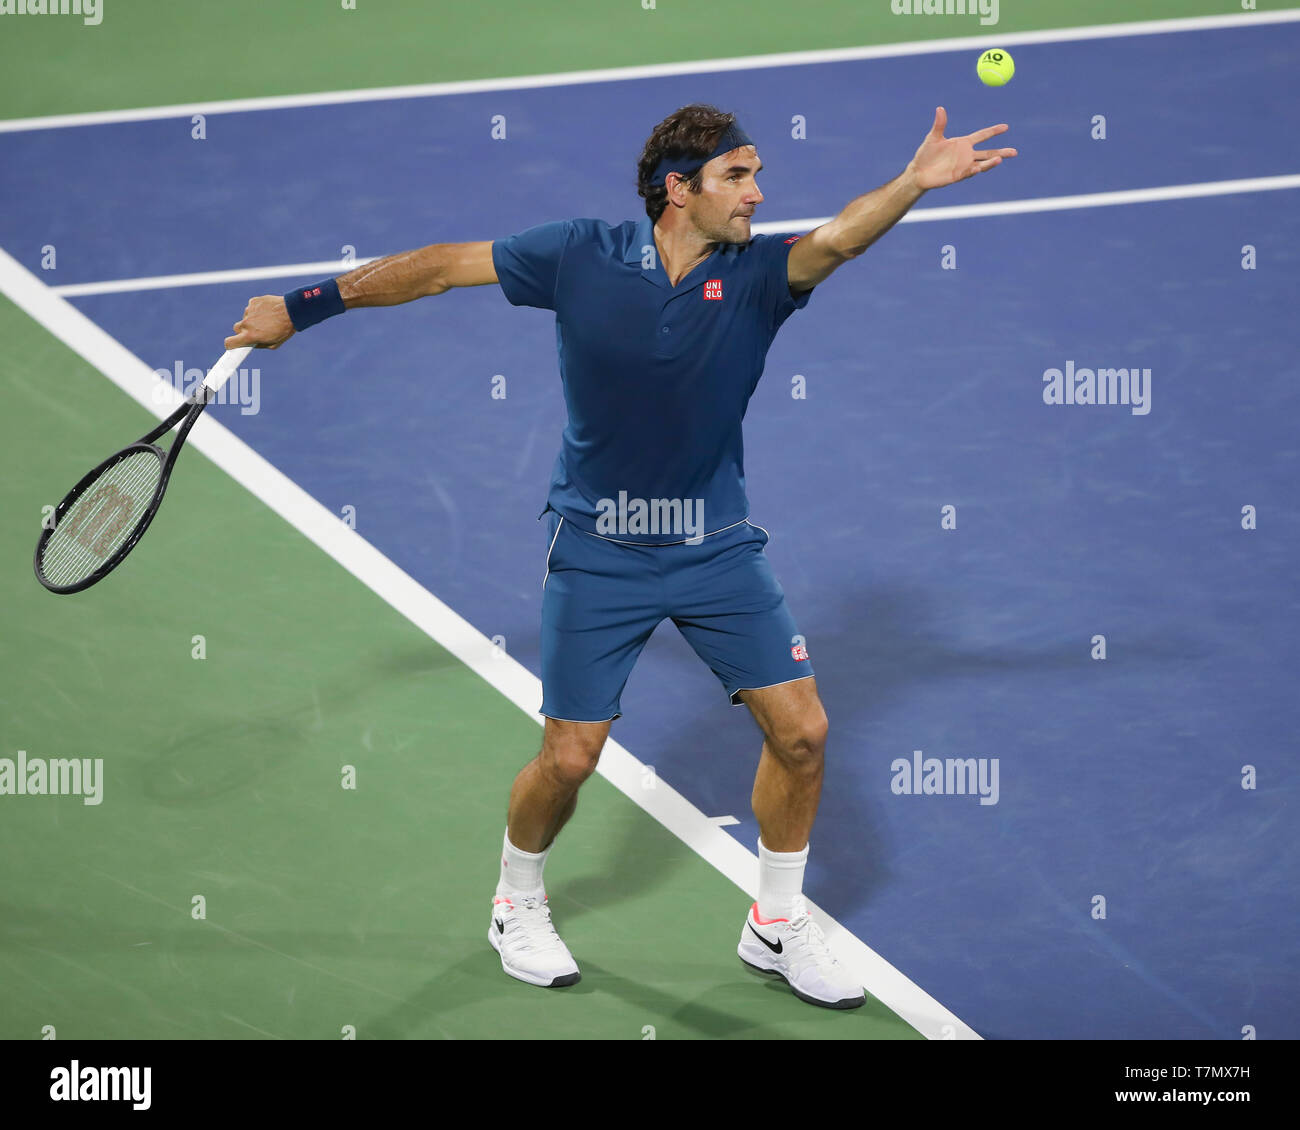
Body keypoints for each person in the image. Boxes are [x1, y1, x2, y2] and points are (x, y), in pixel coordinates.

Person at [227, 102, 1015, 1010]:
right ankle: (515, 900)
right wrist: (302, 305)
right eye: (738, 176)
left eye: (757, 175)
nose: (758, 194)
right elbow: (441, 269)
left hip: (716, 547)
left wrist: (915, 182)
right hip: (599, 550)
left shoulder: (761, 275)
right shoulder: (579, 255)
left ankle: (775, 924)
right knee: (569, 760)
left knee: (803, 735)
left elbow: (840, 239)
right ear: (678, 190)